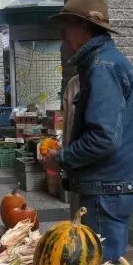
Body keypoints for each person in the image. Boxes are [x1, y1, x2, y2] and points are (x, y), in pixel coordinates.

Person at [44, 0, 133, 261]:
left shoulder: (102, 66)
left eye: (65, 26)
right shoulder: (104, 60)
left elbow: (103, 137)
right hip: (113, 181)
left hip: (108, 184)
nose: (62, 35)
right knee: (105, 264)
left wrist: (62, 158)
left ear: (84, 27)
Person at [61, 74, 80, 217]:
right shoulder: (74, 83)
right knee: (77, 226)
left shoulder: (114, 77)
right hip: (78, 170)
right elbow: (67, 129)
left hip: (108, 177)